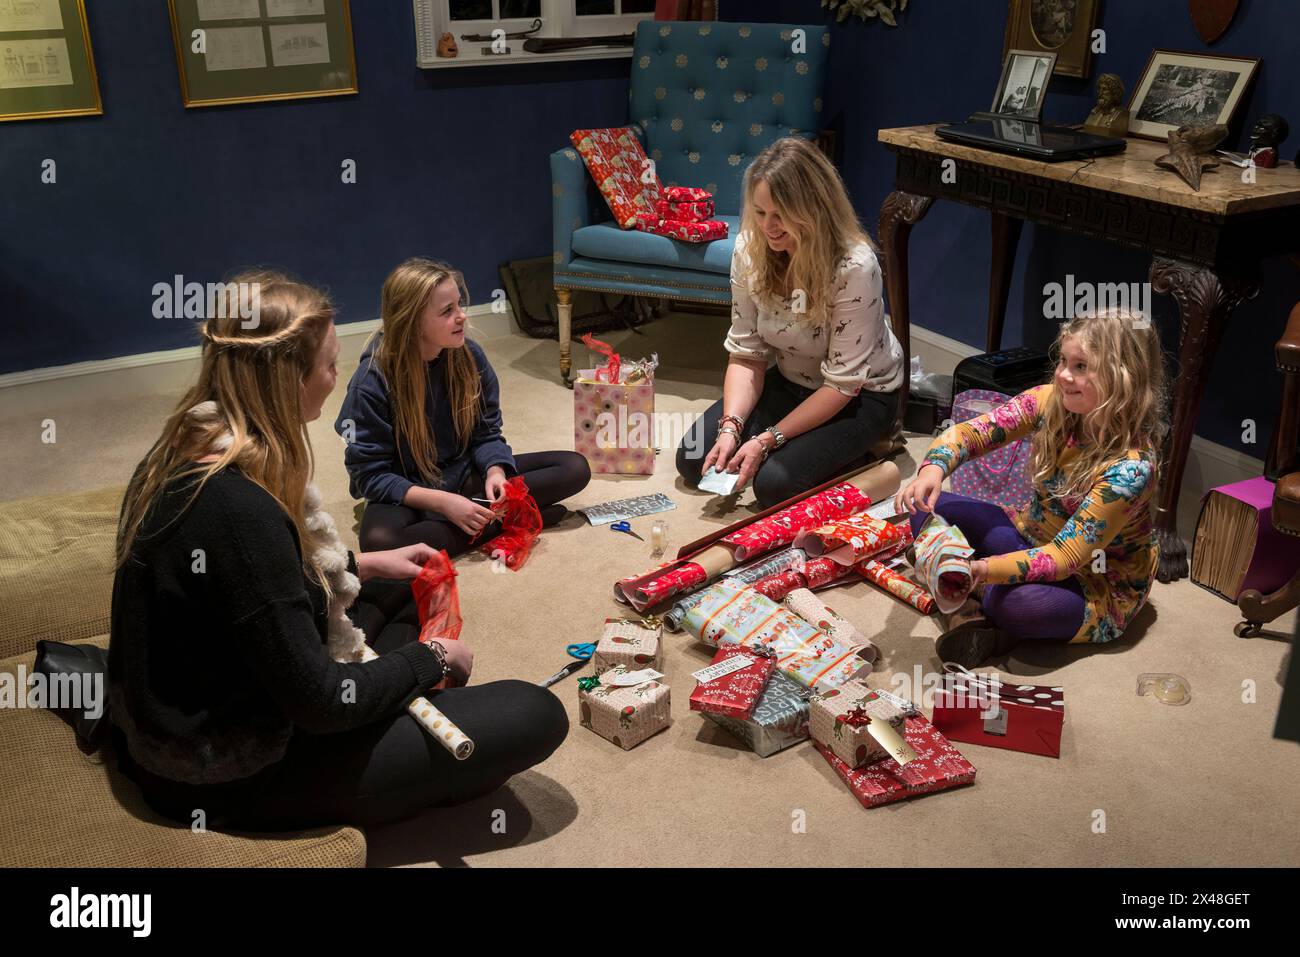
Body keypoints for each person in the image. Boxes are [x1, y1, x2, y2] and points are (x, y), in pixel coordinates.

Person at [108, 270, 568, 831]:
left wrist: (361, 565)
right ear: (286, 380)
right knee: (535, 713)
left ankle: (393, 688)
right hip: (226, 768)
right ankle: (399, 718)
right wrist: (431, 661)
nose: (334, 379)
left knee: (399, 578)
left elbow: (262, 587)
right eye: (328, 365)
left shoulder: (187, 445)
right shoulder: (237, 511)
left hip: (235, 684)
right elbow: (321, 703)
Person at [895, 310, 1166, 667]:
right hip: (1031, 536)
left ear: (1122, 378)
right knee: (924, 505)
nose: (1065, 375)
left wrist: (982, 571)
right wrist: (933, 469)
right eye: (1064, 361)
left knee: (1016, 605)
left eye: (1082, 367)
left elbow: (1065, 558)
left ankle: (978, 607)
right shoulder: (1050, 400)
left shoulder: (1131, 469)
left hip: (1094, 580)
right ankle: (979, 610)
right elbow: (972, 432)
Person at [675, 137, 903, 509]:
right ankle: (790, 445)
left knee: (774, 486)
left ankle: (872, 445)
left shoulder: (854, 267)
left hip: (860, 395)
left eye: (780, 213)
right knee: (693, 458)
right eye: (760, 213)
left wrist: (766, 440)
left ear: (813, 208)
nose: (769, 226)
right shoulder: (750, 250)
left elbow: (842, 387)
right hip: (795, 380)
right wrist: (732, 428)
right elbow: (746, 354)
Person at [337, 258, 590, 555]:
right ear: (411, 321)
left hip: (464, 473)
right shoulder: (371, 382)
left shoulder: (469, 356)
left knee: (573, 467)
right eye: (447, 311)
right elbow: (370, 475)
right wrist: (443, 502)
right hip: (409, 489)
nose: (462, 317)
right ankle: (508, 521)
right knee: (380, 541)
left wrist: (495, 471)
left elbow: (486, 432)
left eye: (459, 305)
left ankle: (485, 518)